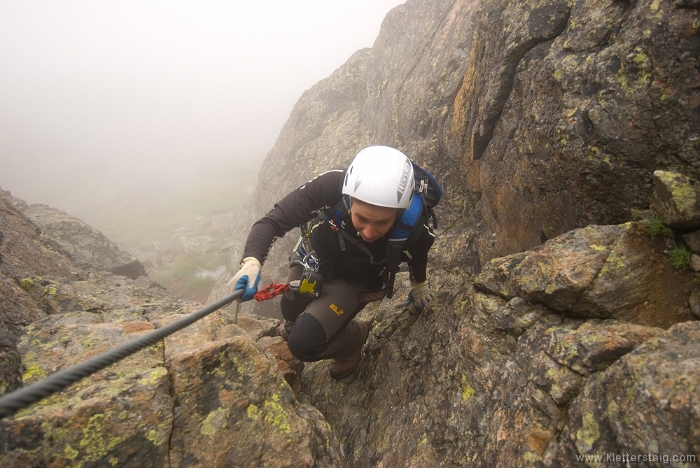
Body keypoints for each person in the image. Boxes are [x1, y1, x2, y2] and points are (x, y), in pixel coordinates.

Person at [228, 146, 436, 379]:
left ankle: (355, 337)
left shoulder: (413, 228)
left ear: (399, 212)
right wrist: (252, 261)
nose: (369, 232)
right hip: (316, 258)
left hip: (355, 278)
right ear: (350, 199)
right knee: (290, 307)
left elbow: (418, 254)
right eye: (362, 218)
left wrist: (420, 286)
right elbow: (273, 222)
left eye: (381, 223)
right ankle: (299, 322)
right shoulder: (331, 189)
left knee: (304, 344)